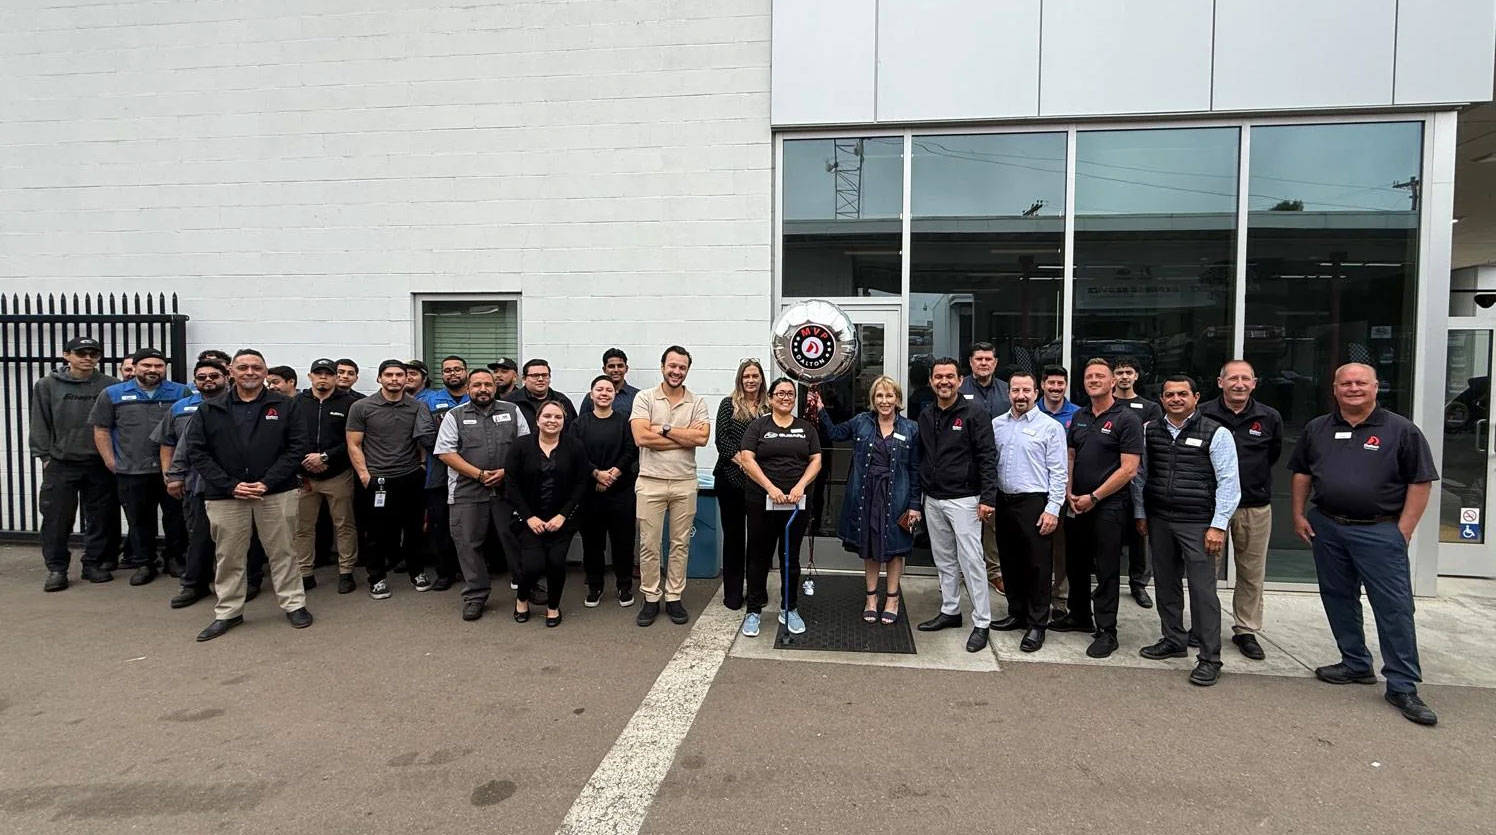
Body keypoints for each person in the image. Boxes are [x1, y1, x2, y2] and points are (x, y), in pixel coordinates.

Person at [1290, 363, 1439, 726]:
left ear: (1375, 387)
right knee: (1338, 597)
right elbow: (1302, 473)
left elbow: (1420, 482)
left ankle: (1402, 685)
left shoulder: (1401, 430)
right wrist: (1298, 514)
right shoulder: (1318, 428)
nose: (1353, 388)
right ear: (1335, 388)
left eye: (1361, 382)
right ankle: (1355, 662)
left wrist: (1403, 531)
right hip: (1328, 526)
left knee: (1394, 608)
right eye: (1346, 383)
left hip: (1379, 530)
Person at [182, 349, 312, 641]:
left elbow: (296, 447)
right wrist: (230, 485)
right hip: (226, 495)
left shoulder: (286, 406)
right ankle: (228, 612)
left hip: (276, 492)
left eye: (256, 367)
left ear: (265, 372)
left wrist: (266, 482)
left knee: (283, 551)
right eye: (243, 367)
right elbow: (198, 452)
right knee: (228, 555)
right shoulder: (209, 409)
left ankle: (294, 604)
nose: (250, 372)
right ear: (231, 371)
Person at [1131, 375, 1241, 686]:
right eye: (1169, 395)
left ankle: (1209, 658)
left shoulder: (1216, 433)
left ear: (1196, 397)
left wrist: (1218, 525)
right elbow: (1141, 476)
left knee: (1203, 591)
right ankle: (1173, 640)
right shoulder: (1149, 430)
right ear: (1162, 399)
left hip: (1198, 523)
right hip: (1160, 520)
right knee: (1166, 585)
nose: (1176, 399)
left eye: (1182, 394)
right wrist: (1141, 513)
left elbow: (1229, 483)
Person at [812, 375, 921, 625]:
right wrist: (820, 409)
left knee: (895, 550)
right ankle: (871, 598)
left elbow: (915, 469)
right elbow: (835, 433)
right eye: (879, 396)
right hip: (867, 496)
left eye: (889, 395)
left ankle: (892, 599)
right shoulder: (861, 422)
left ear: (897, 399)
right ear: (873, 399)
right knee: (870, 549)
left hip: (898, 497)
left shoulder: (911, 428)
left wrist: (915, 505)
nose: (884, 401)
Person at [1054, 358, 1143, 659]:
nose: (1093, 380)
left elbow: (1129, 469)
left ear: (1112, 382)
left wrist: (1094, 497)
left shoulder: (1126, 419)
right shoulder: (1079, 416)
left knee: (1106, 568)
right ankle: (1079, 615)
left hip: (1109, 505)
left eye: (1099, 376)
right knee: (1076, 563)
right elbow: (1070, 456)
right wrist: (1069, 492)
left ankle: (1107, 630)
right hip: (1077, 503)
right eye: (1089, 376)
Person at [1200, 359, 1284, 661]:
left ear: (1254, 383)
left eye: (1245, 379)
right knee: (1205, 570)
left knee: (1251, 571)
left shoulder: (1269, 417)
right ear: (1220, 382)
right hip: (1210, 507)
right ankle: (1203, 626)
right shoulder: (1203, 414)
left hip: (1253, 505)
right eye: (1232, 378)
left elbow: (1272, 455)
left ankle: (1246, 629)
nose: (1239, 384)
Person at [915, 357, 1000, 653]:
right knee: (944, 560)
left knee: (972, 561)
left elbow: (988, 457)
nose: (944, 382)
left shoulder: (975, 413)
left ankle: (982, 621)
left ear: (960, 381)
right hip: (933, 499)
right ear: (931, 381)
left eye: (950, 376)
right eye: (938, 377)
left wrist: (988, 498)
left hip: (965, 499)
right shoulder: (926, 414)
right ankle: (950, 610)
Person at [434, 367, 529, 621]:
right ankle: (475, 595)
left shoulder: (512, 411)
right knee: (468, 544)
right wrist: (479, 475)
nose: (483, 389)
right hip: (467, 492)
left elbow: (526, 448)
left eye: (488, 384)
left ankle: (527, 586)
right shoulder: (454, 416)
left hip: (508, 490)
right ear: (468, 388)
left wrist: (506, 472)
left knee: (516, 540)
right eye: (477, 385)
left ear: (495, 387)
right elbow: (445, 453)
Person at [90, 347, 191, 586]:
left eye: (158, 366)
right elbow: (101, 428)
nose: (153, 370)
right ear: (134, 368)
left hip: (171, 470)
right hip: (132, 469)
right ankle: (145, 562)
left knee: (176, 517)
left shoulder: (180, 392)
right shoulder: (112, 394)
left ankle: (176, 559)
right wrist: (110, 461)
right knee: (139, 520)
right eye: (147, 365)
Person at [630, 345, 711, 627]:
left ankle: (674, 596)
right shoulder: (644, 398)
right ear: (663, 366)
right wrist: (683, 438)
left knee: (680, 544)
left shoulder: (697, 402)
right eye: (672, 366)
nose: (676, 371)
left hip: (684, 483)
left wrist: (663, 429)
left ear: (687, 370)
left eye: (682, 367)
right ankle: (651, 597)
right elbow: (641, 438)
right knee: (649, 545)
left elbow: (701, 439)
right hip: (650, 482)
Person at [32, 335, 120, 590]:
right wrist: (45, 456)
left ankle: (93, 563)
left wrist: (113, 458)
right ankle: (57, 569)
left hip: (99, 463)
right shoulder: (47, 385)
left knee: (100, 517)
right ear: (67, 355)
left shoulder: (110, 385)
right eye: (81, 353)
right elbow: (40, 421)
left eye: (93, 354)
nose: (87, 358)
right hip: (62, 462)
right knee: (56, 518)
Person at [989, 371, 1068, 653]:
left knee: (1037, 565)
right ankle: (1017, 612)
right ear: (1008, 393)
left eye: (1026, 390)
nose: (1020, 396)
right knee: (1010, 561)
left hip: (1035, 502)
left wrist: (1053, 509)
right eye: (1015, 390)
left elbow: (1059, 472)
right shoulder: (997, 424)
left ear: (1036, 393)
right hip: (1004, 500)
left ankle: (1037, 624)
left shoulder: (1050, 427)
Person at [738, 377, 823, 637]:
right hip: (762, 501)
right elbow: (747, 459)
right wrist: (770, 488)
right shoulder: (758, 426)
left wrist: (800, 486)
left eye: (790, 394)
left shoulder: (806, 428)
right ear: (771, 398)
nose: (786, 398)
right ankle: (753, 611)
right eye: (781, 393)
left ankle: (789, 608)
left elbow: (816, 460)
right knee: (758, 557)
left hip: (796, 503)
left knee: (790, 557)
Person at [347, 359, 437, 599]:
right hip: (378, 479)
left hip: (410, 477)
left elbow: (421, 438)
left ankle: (417, 572)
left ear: (406, 378)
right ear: (380, 378)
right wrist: (365, 475)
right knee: (377, 533)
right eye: (389, 375)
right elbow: (354, 444)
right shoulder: (361, 407)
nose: (395, 379)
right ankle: (377, 578)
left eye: (400, 375)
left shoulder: (417, 406)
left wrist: (421, 465)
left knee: (414, 530)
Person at [505, 401, 591, 627]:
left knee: (556, 562)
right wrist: (529, 517)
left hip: (562, 519)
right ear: (538, 420)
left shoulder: (574, 446)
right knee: (533, 565)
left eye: (558, 417)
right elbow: (511, 484)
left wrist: (563, 515)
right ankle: (522, 600)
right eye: (547, 416)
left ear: (564, 421)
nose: (552, 421)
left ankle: (553, 607)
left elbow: (581, 483)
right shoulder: (521, 446)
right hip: (528, 519)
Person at [153, 359, 228, 608]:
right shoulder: (186, 408)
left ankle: (248, 581)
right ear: (194, 382)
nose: (208, 380)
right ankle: (194, 584)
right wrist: (174, 475)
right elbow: (179, 445)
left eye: (214, 376)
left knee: (242, 538)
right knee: (199, 537)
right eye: (202, 377)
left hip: (237, 483)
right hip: (199, 483)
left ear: (226, 377)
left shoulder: (240, 404)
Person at [293, 358, 361, 594]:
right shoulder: (296, 403)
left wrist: (325, 457)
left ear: (335, 377)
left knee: (344, 525)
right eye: (318, 373)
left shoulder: (350, 404)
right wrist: (306, 462)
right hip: (304, 476)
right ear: (310, 376)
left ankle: (346, 571)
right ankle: (305, 573)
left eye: (328, 374)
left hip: (338, 474)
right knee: (303, 527)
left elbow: (352, 440)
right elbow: (289, 437)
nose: (323, 378)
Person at [575, 375, 639, 607]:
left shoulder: (624, 423)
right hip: (590, 494)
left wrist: (613, 474)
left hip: (621, 492)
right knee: (593, 544)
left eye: (608, 390)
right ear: (591, 394)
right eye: (599, 389)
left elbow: (631, 451)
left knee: (623, 542)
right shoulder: (579, 424)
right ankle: (595, 586)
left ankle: (624, 586)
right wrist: (596, 474)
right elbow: (576, 454)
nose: (604, 393)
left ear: (614, 394)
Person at [712, 359, 769, 610]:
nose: (751, 380)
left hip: (760, 484)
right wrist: (745, 463)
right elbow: (721, 440)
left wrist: (756, 470)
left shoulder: (769, 407)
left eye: (755, 376)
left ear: (761, 379)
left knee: (759, 539)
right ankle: (733, 593)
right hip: (730, 479)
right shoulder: (729, 404)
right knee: (734, 538)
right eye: (746, 376)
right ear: (740, 379)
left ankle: (757, 591)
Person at [960, 343, 1013, 599]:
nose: (984, 363)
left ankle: (994, 571)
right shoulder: (960, 388)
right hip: (965, 467)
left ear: (995, 362)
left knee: (992, 523)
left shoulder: (1007, 390)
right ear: (971, 362)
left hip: (998, 466)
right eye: (979, 359)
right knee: (964, 523)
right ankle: (961, 571)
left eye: (988, 359)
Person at [417, 355, 470, 591]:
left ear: (466, 372)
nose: (453, 373)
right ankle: (444, 572)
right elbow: (424, 434)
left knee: (470, 525)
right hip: (438, 474)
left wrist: (465, 459)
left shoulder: (476, 396)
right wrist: (449, 455)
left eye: (457, 369)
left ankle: (470, 570)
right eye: (447, 370)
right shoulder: (429, 401)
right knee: (440, 525)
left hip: (471, 473)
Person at [1113, 355, 1158, 609]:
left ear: (1136, 376)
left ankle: (1139, 584)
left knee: (1140, 535)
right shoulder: (1105, 404)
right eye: (1119, 372)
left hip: (1140, 481)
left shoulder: (1150, 408)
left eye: (1128, 372)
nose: (1124, 377)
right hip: (1110, 479)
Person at [1038, 364, 1079, 619]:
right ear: (1042, 385)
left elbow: (1075, 454)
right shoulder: (1032, 412)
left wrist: (1068, 490)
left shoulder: (1077, 414)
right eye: (1051, 383)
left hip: (1063, 491)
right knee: (1035, 548)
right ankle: (1036, 597)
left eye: (1060, 383)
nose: (1055, 388)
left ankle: (1060, 599)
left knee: (1060, 548)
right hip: (1033, 491)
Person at [505, 358, 578, 426]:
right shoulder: (511, 401)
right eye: (535, 376)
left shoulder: (562, 400)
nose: (540, 379)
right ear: (524, 379)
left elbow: (573, 428)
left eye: (544, 375)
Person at [581, 348, 641, 417]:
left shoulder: (637, 396)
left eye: (620, 366)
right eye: (611, 366)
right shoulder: (592, 397)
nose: (616, 370)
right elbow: (582, 421)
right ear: (604, 369)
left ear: (626, 369)